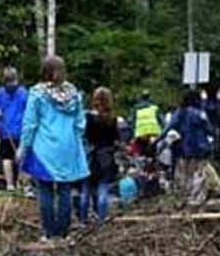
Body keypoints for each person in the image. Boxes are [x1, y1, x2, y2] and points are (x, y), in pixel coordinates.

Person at [19, 55, 89, 241]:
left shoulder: (37, 93)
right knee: (65, 189)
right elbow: (81, 123)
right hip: (68, 147)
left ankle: (49, 233)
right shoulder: (73, 93)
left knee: (45, 189)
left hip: (44, 149)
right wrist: (74, 139)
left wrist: (23, 147)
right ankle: (64, 232)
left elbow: (30, 124)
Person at [165, 88, 216, 205]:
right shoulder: (199, 114)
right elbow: (209, 130)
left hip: (183, 148)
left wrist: (158, 141)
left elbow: (168, 128)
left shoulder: (179, 113)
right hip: (200, 148)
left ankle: (182, 199)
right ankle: (196, 199)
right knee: (198, 173)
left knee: (183, 175)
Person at [79, 87, 120, 225]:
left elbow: (84, 135)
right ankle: (101, 219)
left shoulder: (88, 117)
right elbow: (116, 139)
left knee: (85, 190)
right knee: (103, 189)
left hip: (89, 157)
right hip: (106, 157)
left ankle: (83, 220)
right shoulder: (112, 119)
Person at [0, 67, 29, 191]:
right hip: (8, 131)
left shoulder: (18, 92)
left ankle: (17, 185)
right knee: (12, 158)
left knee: (15, 158)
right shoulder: (19, 92)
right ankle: (14, 185)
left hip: (17, 131)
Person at [130, 91, 165, 158]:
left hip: (141, 134)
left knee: (141, 153)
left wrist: (133, 134)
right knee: (154, 153)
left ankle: (143, 164)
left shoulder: (135, 108)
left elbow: (132, 122)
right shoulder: (155, 108)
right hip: (153, 133)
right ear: (150, 98)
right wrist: (163, 132)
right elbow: (162, 121)